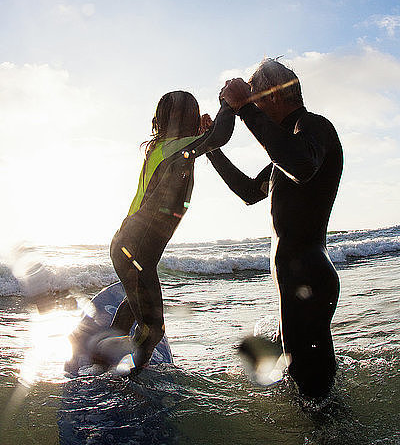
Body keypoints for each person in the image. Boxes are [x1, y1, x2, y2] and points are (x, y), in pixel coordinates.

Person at [206, 59, 343, 401]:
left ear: (275, 96)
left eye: (258, 100)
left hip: (308, 276)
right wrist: (212, 149)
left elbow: (301, 166)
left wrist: (245, 109)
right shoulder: (288, 146)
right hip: (297, 279)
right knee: (303, 379)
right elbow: (250, 192)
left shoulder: (314, 127)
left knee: (310, 384)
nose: (254, 110)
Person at [90, 90, 235, 374]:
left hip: (124, 244)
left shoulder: (159, 148)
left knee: (134, 302)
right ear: (190, 120)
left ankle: (98, 360)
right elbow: (221, 136)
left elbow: (209, 140)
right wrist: (226, 105)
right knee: (153, 328)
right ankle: (127, 378)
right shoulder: (181, 148)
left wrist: (205, 130)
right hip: (138, 250)